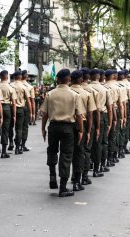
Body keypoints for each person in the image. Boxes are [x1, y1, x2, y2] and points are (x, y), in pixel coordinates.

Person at [41, 69, 85, 197]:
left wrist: (43, 128)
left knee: (52, 151)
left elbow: (45, 114)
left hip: (53, 126)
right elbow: (79, 116)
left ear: (58, 80)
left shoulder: (50, 94)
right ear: (69, 80)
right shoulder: (74, 95)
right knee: (66, 155)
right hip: (68, 128)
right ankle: (63, 187)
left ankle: (52, 176)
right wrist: (81, 131)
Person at [70, 70, 98, 191]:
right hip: (83, 123)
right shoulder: (87, 93)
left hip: (67, 123)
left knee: (68, 152)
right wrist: (89, 130)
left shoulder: (66, 91)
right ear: (81, 79)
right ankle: (82, 177)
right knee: (83, 151)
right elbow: (91, 114)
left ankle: (72, 176)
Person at [89, 69, 113, 174]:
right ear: (99, 76)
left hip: (86, 117)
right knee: (100, 142)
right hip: (101, 116)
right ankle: (98, 167)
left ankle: (88, 165)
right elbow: (110, 107)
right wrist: (110, 122)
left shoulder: (85, 88)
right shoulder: (104, 89)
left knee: (87, 143)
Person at [11, 71, 32, 154]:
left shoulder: (10, 85)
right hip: (20, 109)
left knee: (9, 128)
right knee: (19, 129)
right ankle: (18, 147)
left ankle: (10, 143)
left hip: (10, 108)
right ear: (20, 77)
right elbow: (29, 100)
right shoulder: (24, 87)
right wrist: (31, 112)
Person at [0, 70, 17, 158]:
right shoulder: (10, 88)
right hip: (7, 107)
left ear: (0, 77)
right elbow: (14, 103)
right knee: (5, 129)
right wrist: (14, 115)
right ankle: (4, 151)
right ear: (7, 77)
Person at [21, 70, 35, 151]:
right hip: (26, 107)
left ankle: (13, 143)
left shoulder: (13, 85)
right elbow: (32, 101)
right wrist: (32, 113)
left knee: (16, 127)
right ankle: (22, 144)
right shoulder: (29, 87)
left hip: (14, 107)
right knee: (25, 127)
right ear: (26, 77)